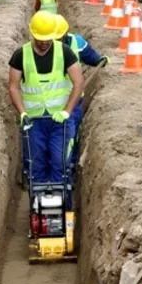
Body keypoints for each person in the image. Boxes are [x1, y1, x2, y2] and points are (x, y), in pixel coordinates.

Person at [9, 12, 84, 190]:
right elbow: (13, 86)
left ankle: (63, 202)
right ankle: (39, 203)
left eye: (47, 39)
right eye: (40, 39)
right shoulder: (21, 55)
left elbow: (78, 83)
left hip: (60, 121)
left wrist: (67, 111)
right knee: (37, 163)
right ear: (32, 34)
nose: (44, 43)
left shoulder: (65, 52)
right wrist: (22, 113)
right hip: (34, 121)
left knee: (60, 163)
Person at [50, 15, 106, 178]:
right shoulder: (40, 49)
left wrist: (100, 60)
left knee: (71, 135)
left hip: (72, 101)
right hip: (46, 103)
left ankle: (70, 167)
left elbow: (91, 57)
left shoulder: (77, 42)